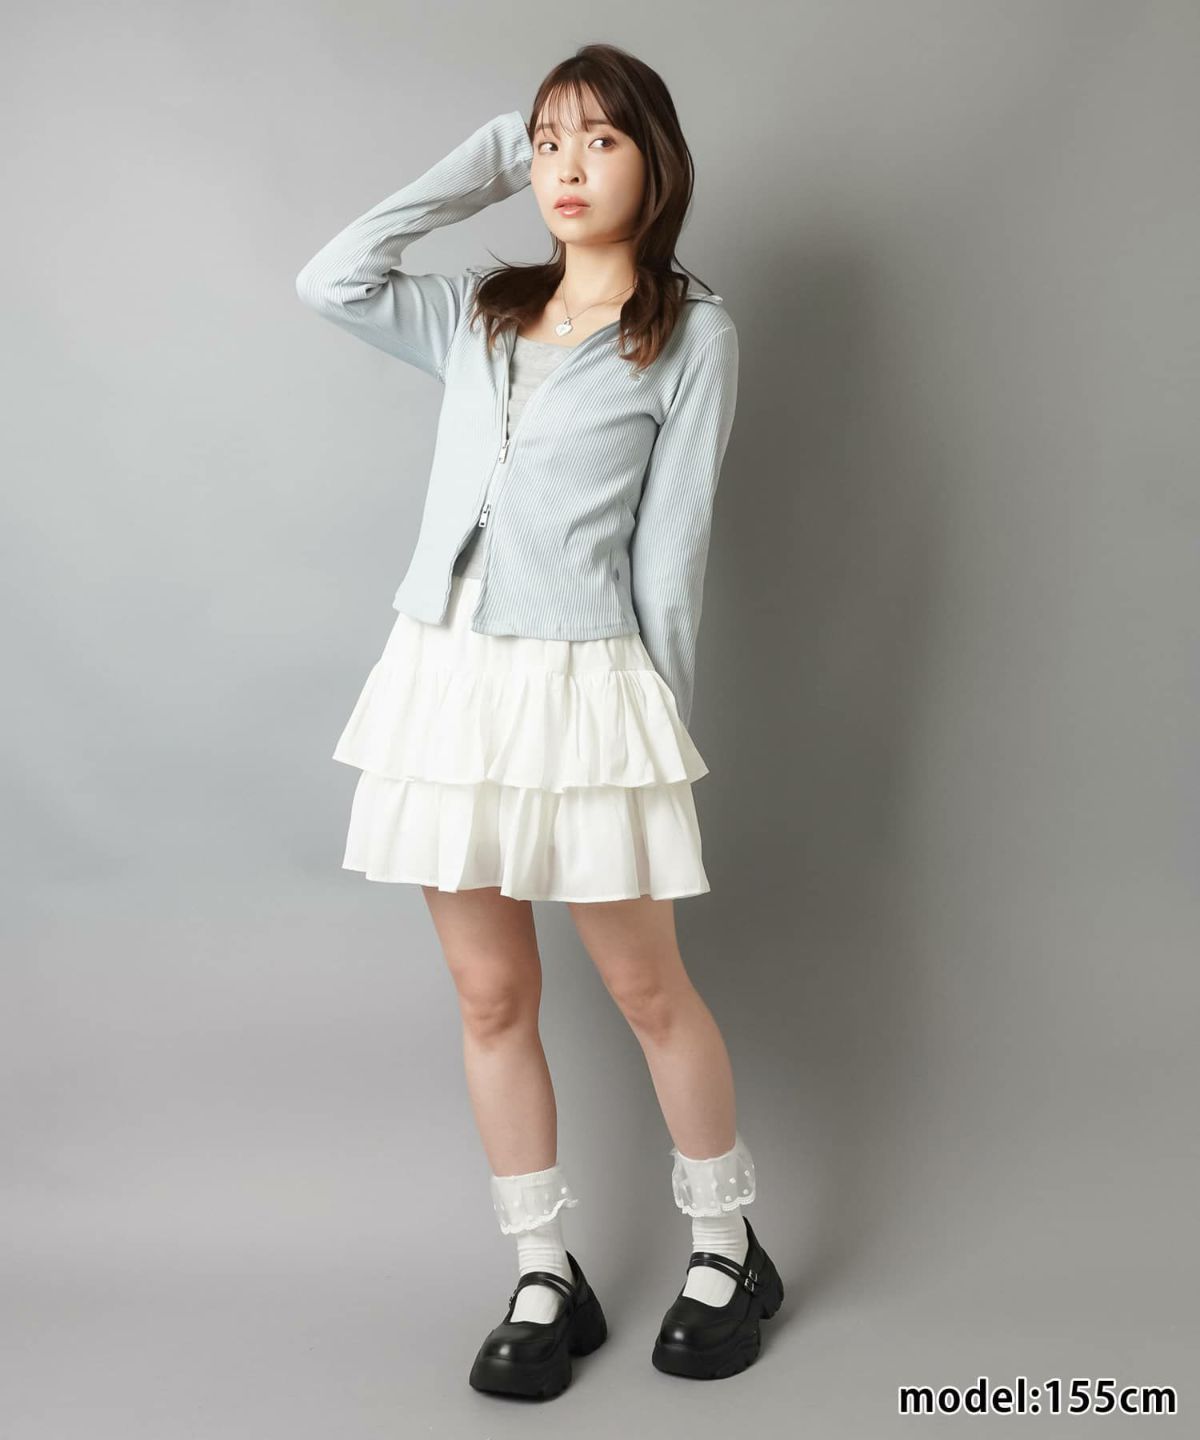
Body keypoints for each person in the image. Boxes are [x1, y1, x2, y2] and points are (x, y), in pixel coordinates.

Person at [295, 42, 782, 1399]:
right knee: (492, 993)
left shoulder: (692, 333)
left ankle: (726, 1247)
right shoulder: (479, 313)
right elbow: (332, 277)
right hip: (445, 681)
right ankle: (542, 1270)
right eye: (549, 142)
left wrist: (657, 737)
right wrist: (486, 157)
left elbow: (673, 557)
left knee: (644, 987)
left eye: (601, 140)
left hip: (586, 685)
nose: (568, 166)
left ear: (656, 164)